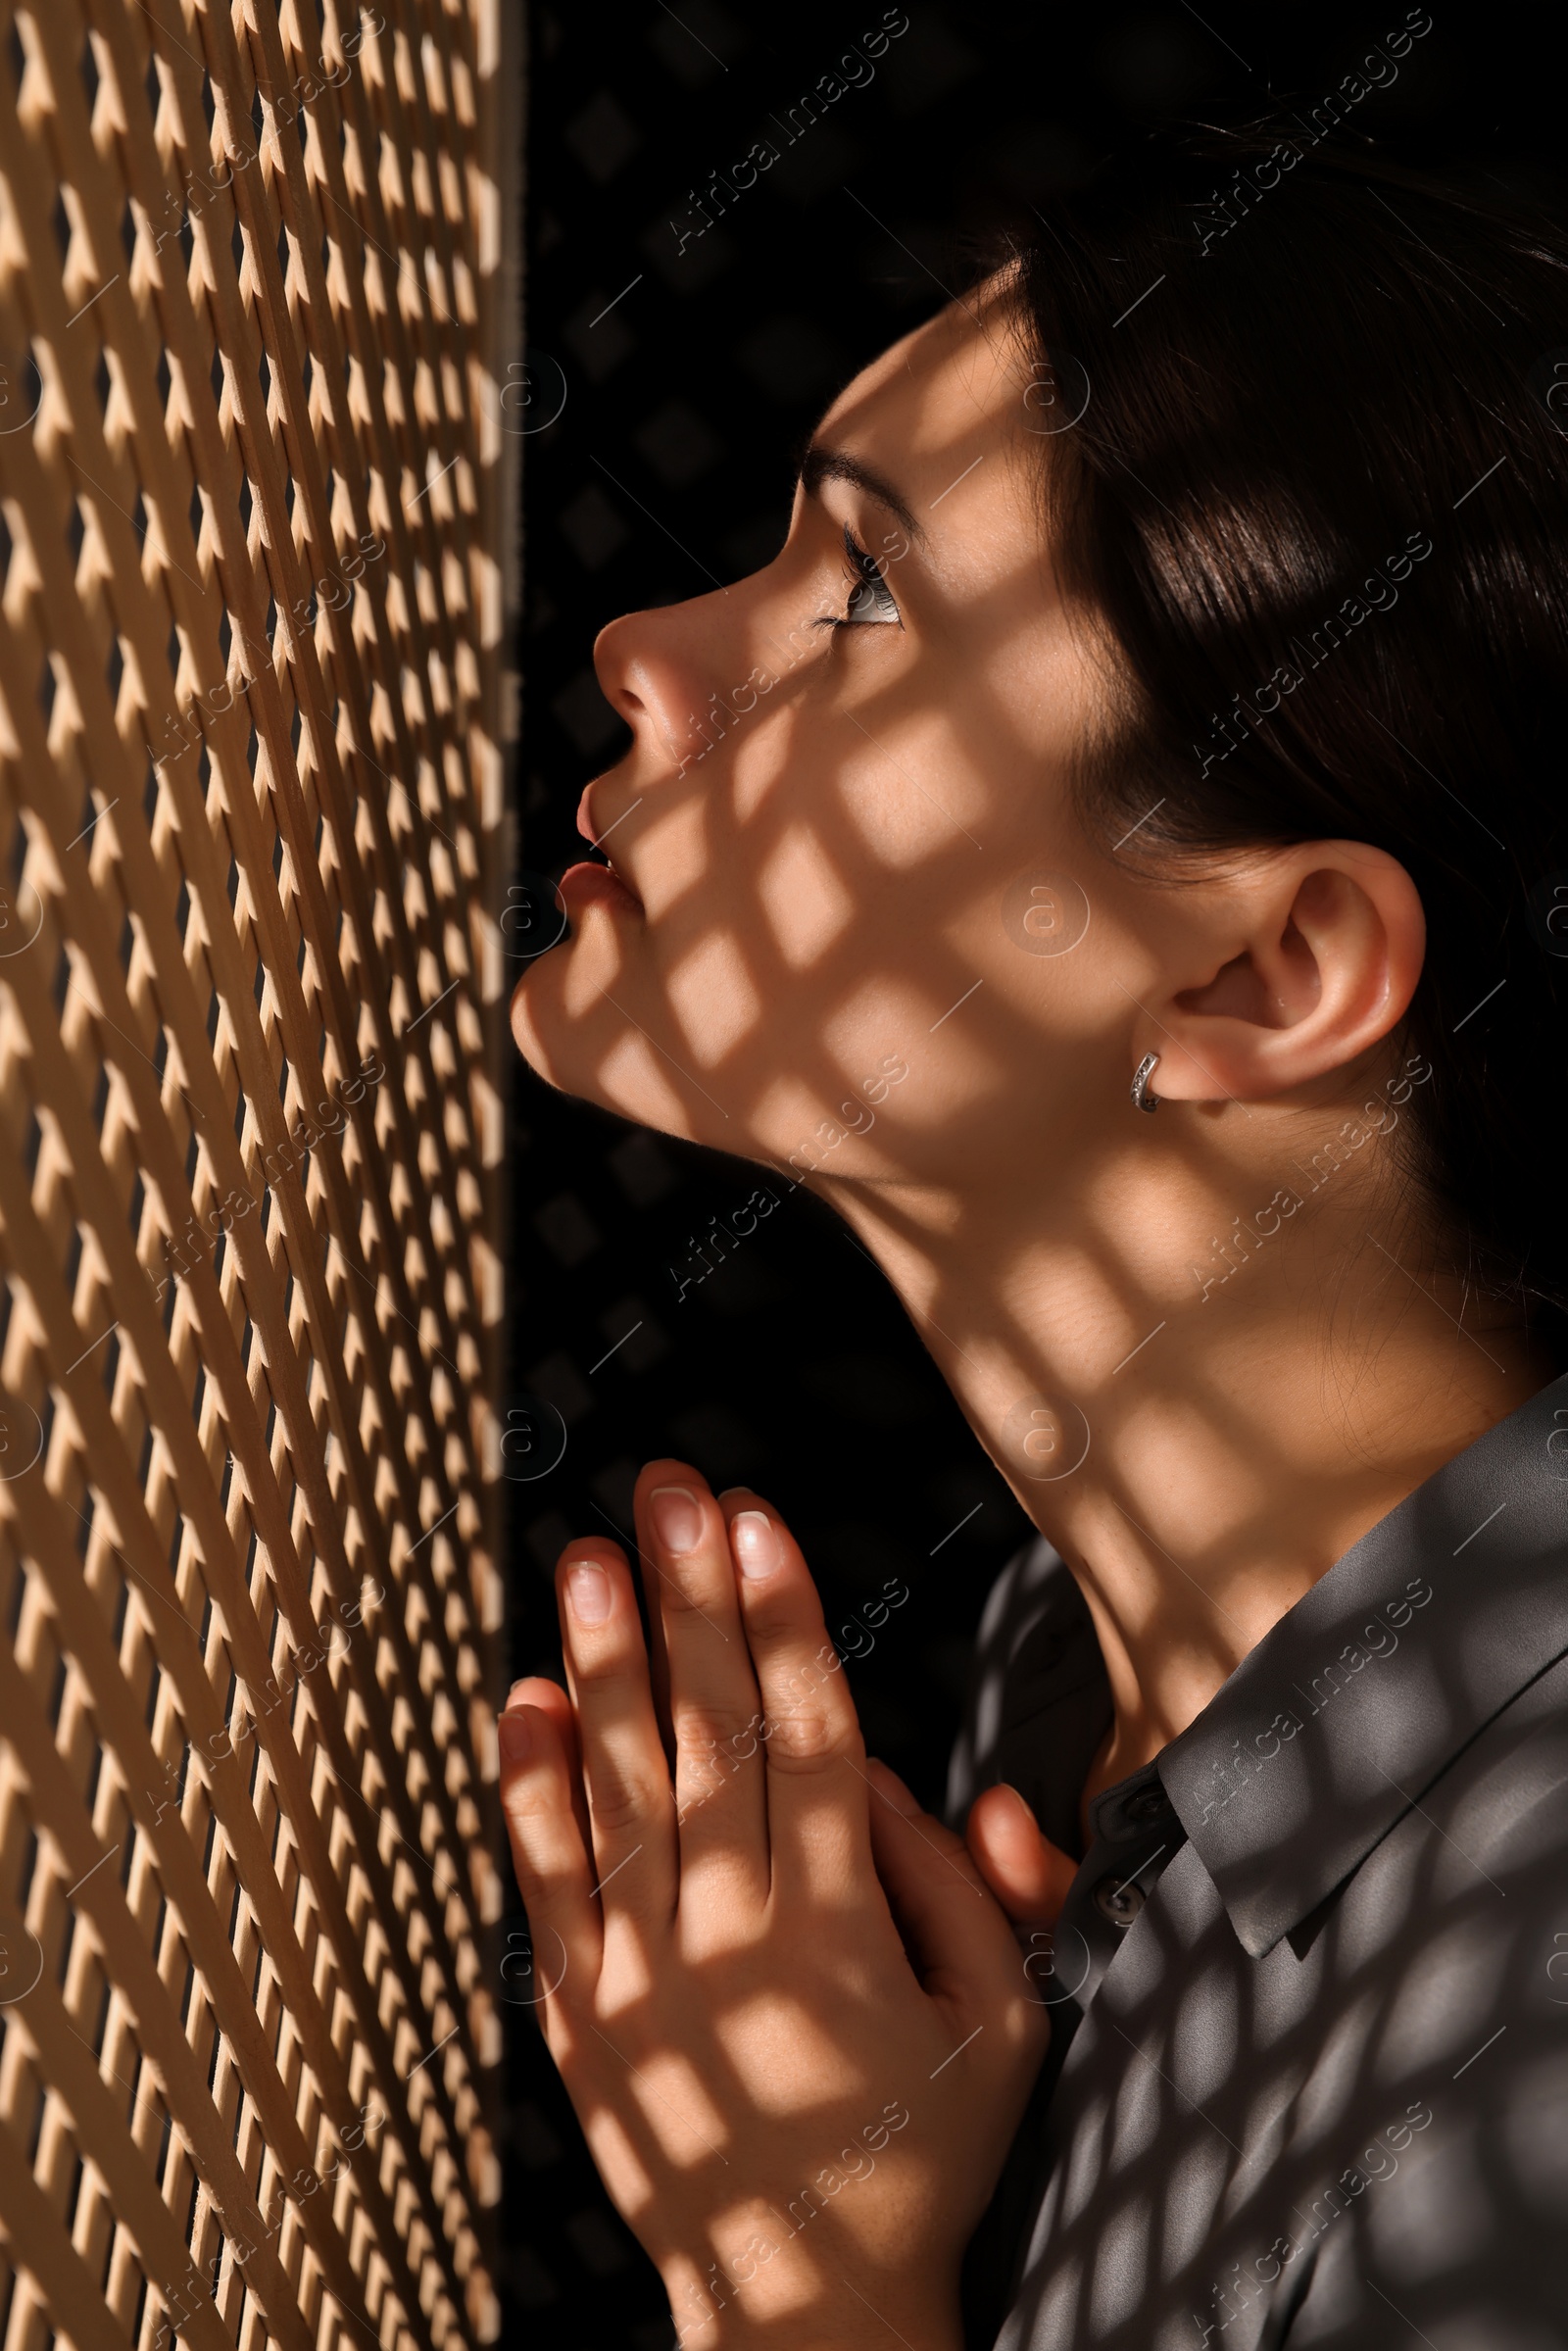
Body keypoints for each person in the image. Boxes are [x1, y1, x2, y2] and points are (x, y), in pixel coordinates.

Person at [499, 121, 1568, 2351]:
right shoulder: (1057, 1667)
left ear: (1253, 976)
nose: (644, 651)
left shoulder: (1516, 2048)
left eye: (861, 602)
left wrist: (805, 2298)